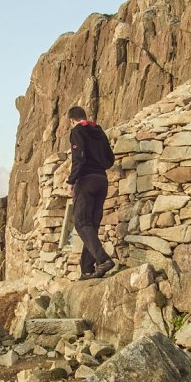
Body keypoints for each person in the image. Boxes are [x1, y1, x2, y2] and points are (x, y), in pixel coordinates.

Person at [66, 106, 115, 280]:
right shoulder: (99, 131)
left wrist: (71, 181)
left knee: (81, 223)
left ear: (72, 120)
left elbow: (78, 158)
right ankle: (87, 270)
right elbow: (110, 159)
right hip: (102, 180)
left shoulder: (77, 131)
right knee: (91, 225)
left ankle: (103, 260)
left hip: (86, 181)